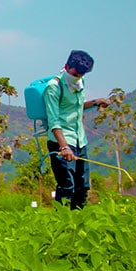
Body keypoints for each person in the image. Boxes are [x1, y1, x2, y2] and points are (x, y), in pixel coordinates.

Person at [44, 50, 110, 209]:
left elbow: (76, 107)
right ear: (67, 66)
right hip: (62, 141)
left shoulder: (80, 83)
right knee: (67, 186)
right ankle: (62, 224)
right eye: (76, 72)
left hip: (80, 140)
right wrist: (64, 146)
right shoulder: (54, 87)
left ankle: (79, 222)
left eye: (82, 73)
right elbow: (53, 120)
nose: (79, 75)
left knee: (83, 186)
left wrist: (95, 102)